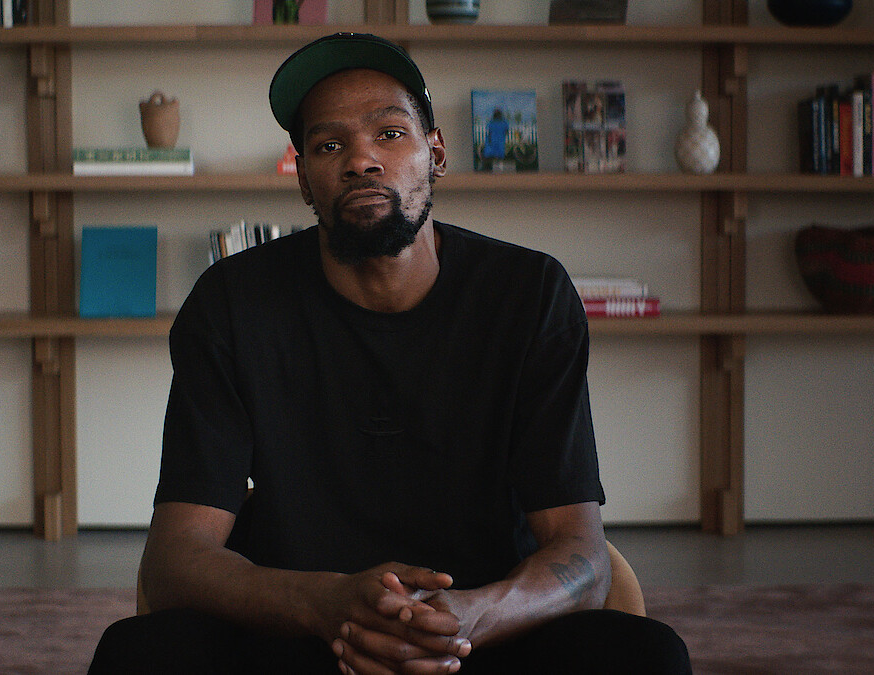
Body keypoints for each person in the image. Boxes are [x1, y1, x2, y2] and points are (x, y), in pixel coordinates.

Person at [89, 32, 692, 674]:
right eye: (329, 145)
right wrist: (326, 604)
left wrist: (471, 618)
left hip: (483, 631)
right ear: (304, 180)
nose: (361, 160)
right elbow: (176, 558)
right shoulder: (230, 305)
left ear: (435, 152)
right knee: (136, 658)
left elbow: (582, 553)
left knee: (648, 658)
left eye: (390, 134)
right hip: (298, 627)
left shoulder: (530, 295)